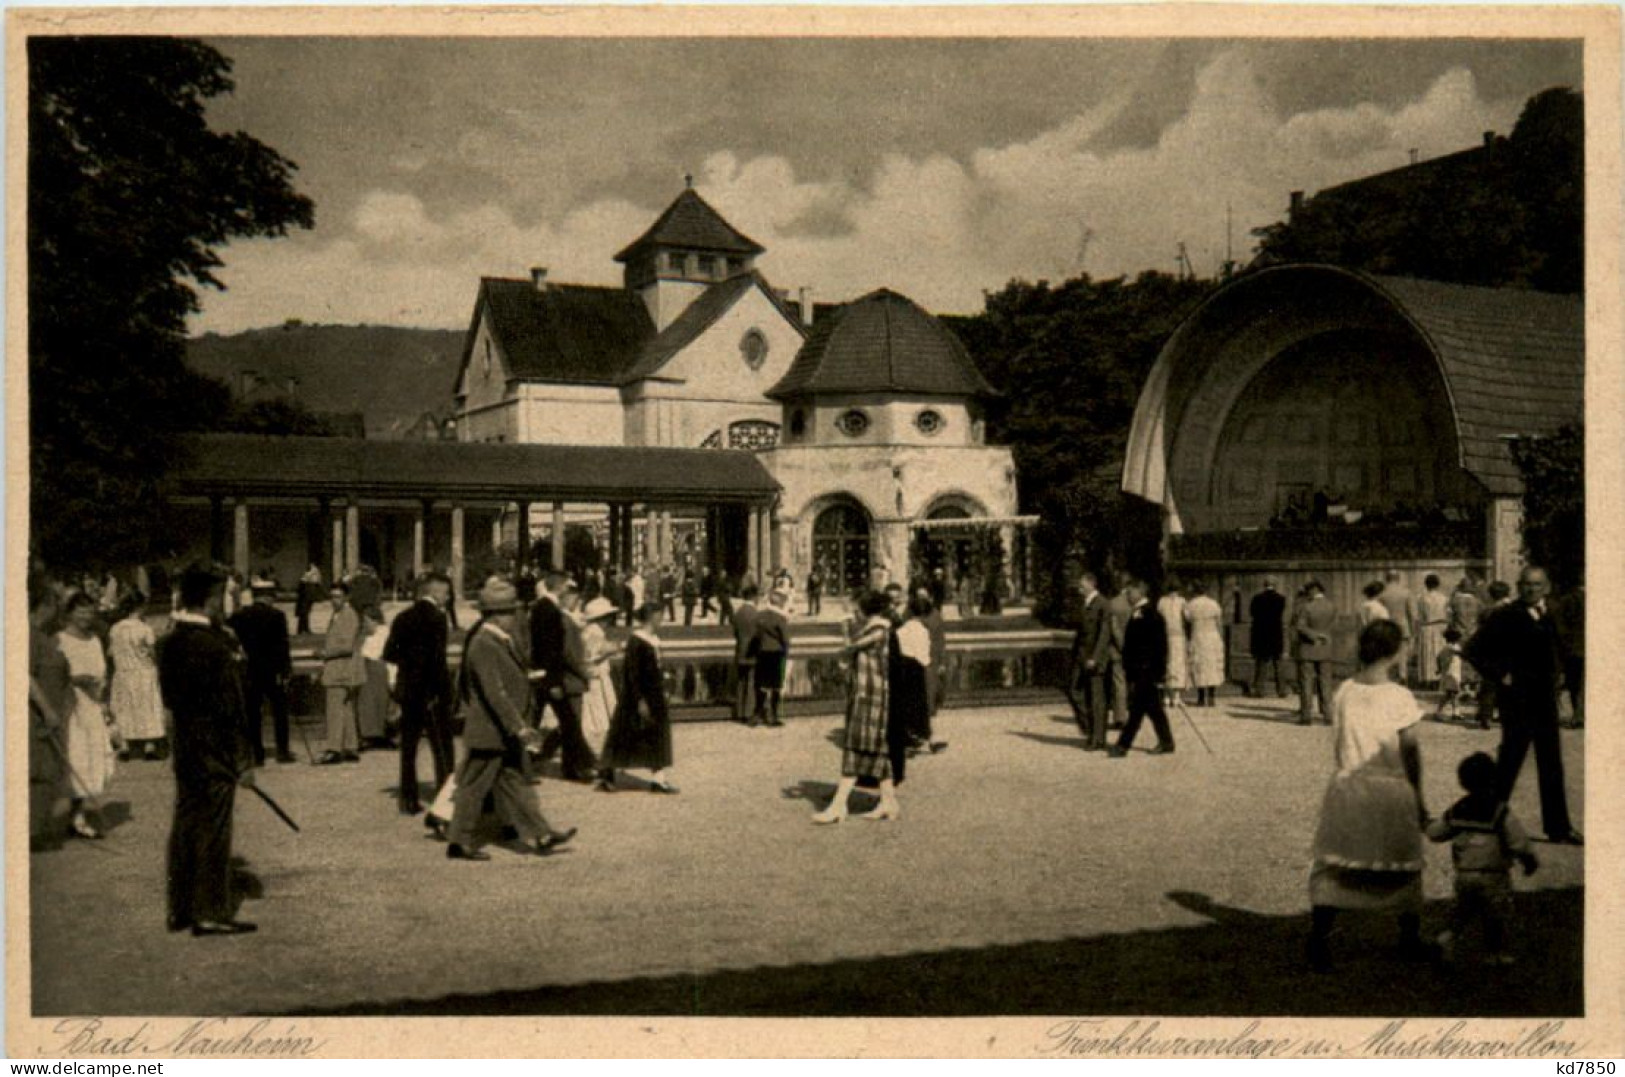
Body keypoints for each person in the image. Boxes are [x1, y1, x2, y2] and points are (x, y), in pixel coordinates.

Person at [1305, 620, 1430, 973]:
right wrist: (1419, 797)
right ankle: (1409, 938)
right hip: (1389, 789)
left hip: (1347, 786)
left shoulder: (1344, 690)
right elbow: (1411, 752)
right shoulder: (1399, 696)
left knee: (1337, 861)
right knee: (1401, 861)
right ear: (1396, 652)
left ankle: (1319, 936)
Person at [446, 578, 577, 861]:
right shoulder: (484, 643)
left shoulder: (497, 640)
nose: (514, 617)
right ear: (496, 614)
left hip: (497, 731)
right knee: (473, 788)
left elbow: (503, 682)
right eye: (510, 612)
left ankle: (541, 833)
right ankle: (458, 841)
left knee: (514, 784)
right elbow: (495, 693)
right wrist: (518, 727)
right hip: (491, 730)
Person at [158, 564, 258, 935]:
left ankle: (180, 907)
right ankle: (211, 911)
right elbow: (231, 707)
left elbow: (170, 698)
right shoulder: (216, 646)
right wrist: (243, 759)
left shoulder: (170, 642)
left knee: (185, 825)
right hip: (217, 750)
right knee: (214, 830)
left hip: (187, 747)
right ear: (213, 599)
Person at [1464, 566, 1583, 846]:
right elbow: (1473, 650)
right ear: (1519, 587)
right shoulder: (1505, 615)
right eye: (1527, 585)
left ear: (1547, 587)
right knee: (1510, 762)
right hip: (1516, 701)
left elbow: (1563, 648)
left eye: (1537, 585)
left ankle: (1559, 829)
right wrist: (1500, 675)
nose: (1532, 590)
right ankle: (1489, 821)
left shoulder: (1551, 613)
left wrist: (1563, 677)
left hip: (1545, 700)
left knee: (1551, 763)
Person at [1426, 752, 1539, 966]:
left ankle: (1447, 938)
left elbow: (1436, 833)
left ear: (1462, 781)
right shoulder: (1499, 810)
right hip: (1493, 875)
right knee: (1496, 915)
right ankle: (1495, 953)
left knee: (1463, 910)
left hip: (1465, 874)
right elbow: (1517, 839)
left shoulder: (1459, 808)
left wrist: (1428, 824)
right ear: (1493, 779)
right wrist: (1528, 858)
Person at [813, 591, 898, 824]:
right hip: (869, 694)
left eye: (857, 608)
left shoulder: (877, 631)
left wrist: (844, 629)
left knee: (855, 747)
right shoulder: (874, 629)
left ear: (867, 611)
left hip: (870, 696)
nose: (854, 613)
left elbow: (848, 649)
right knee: (877, 749)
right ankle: (889, 802)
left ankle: (839, 805)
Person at [383, 572, 455, 815]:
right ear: (434, 593)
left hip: (409, 690)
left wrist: (409, 667)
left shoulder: (402, 617)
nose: (447, 597)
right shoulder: (438, 618)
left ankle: (408, 799)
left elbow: (390, 653)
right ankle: (445, 800)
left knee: (409, 747)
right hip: (432, 692)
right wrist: (440, 691)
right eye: (445, 593)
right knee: (442, 748)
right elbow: (437, 659)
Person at [597, 602, 677, 794]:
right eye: (660, 616)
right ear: (652, 617)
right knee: (624, 735)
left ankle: (659, 779)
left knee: (658, 735)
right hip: (637, 696)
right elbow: (631, 673)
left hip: (655, 694)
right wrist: (639, 699)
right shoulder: (637, 641)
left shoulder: (654, 639)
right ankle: (607, 773)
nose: (662, 619)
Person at [58, 592, 117, 839]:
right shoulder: (59, 640)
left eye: (90, 611)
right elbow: (54, 674)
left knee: (91, 760)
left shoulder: (94, 639)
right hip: (71, 706)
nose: (86, 616)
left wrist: (104, 700)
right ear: (69, 612)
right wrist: (76, 679)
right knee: (75, 757)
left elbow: (103, 671)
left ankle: (77, 813)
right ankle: (73, 817)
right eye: (80, 611)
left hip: (93, 705)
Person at [529, 573, 596, 782]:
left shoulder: (542, 608)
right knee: (568, 723)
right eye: (567, 587)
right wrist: (554, 682)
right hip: (551, 678)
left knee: (554, 723)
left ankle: (579, 764)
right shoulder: (551, 611)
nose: (570, 592)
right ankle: (582, 764)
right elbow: (554, 650)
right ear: (560, 588)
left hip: (544, 676)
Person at [227, 580, 294, 766]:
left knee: (253, 713)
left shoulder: (241, 616)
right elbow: (283, 645)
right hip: (273, 671)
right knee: (279, 711)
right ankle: (282, 751)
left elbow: (227, 632)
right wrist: (286, 669)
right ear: (270, 596)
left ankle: (257, 753)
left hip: (250, 670)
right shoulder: (277, 616)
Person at [1108, 577, 1174, 758]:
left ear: (1139, 592)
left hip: (1145, 671)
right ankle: (1167, 742)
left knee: (1137, 710)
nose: (1127, 595)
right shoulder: (1138, 612)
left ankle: (1123, 745)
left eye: (1130, 592)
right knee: (1153, 709)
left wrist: (1157, 672)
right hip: (1139, 671)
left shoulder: (1150, 614)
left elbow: (1160, 646)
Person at [29, 580, 70, 850]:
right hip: (37, 719)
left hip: (50, 717)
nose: (58, 610)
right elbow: (24, 676)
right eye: (56, 603)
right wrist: (47, 710)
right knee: (39, 774)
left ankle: (38, 829)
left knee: (47, 773)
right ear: (45, 605)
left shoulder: (43, 635)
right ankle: (32, 834)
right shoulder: (28, 635)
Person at [109, 593, 168, 761]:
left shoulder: (115, 628)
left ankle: (125, 746)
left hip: (123, 672)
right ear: (140, 608)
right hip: (144, 672)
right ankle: (149, 746)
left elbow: (111, 651)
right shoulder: (144, 629)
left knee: (125, 708)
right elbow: (151, 651)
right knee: (147, 707)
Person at [317, 582, 364, 764]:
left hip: (340, 668)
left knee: (335, 710)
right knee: (346, 709)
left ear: (346, 597)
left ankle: (334, 748)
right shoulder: (340, 615)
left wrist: (324, 654)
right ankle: (351, 746)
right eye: (332, 597)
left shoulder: (348, 615)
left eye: (337, 597)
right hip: (344, 669)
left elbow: (346, 646)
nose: (333, 601)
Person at [891, 592, 936, 771]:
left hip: (902, 666)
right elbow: (924, 655)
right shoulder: (922, 630)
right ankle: (919, 736)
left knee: (903, 703)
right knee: (918, 703)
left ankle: (905, 738)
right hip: (916, 668)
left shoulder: (901, 630)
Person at [1066, 574, 1111, 751]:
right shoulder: (1085, 603)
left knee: (1096, 699)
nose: (1079, 589)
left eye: (1082, 585)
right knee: (1074, 691)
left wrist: (1096, 657)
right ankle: (1089, 730)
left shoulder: (1102, 604)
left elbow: (1104, 634)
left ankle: (1097, 738)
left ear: (1092, 585)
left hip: (1093, 658)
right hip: (1081, 656)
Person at [576, 597, 622, 760]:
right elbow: (592, 657)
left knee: (597, 713)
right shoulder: (595, 632)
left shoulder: (589, 631)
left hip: (595, 675)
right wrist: (610, 650)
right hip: (596, 676)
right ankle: (598, 752)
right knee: (599, 714)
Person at [1294, 580, 1336, 725]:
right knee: (1325, 682)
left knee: (1306, 682)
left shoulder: (1306, 607)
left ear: (1312, 591)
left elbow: (1300, 627)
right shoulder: (1332, 606)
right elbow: (1334, 625)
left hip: (1308, 647)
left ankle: (1306, 715)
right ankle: (1328, 715)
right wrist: (1324, 635)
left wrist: (1314, 636)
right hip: (1325, 647)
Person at [751, 589, 791, 727]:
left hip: (762, 652)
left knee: (761, 684)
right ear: (779, 603)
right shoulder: (780, 618)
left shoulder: (760, 615)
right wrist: (787, 651)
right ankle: (773, 715)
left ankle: (757, 714)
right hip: (776, 652)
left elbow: (755, 635)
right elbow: (785, 639)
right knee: (776, 685)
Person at [1185, 579, 1225, 707]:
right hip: (1212, 636)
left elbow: (1187, 620)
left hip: (1198, 635)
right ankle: (1212, 696)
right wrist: (1221, 637)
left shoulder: (1190, 605)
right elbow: (1219, 622)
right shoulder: (1213, 604)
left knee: (1199, 665)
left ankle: (1201, 697)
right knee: (1212, 665)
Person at [1248, 578, 1288, 698]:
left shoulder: (1257, 599)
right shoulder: (1281, 599)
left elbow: (1252, 613)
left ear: (1264, 585)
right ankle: (1281, 690)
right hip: (1275, 634)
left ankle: (1260, 690)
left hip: (1261, 634)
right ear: (1274, 585)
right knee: (1278, 664)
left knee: (1261, 664)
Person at [1553, 584, 1584, 728]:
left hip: (1574, 650)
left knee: (1575, 684)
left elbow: (1560, 628)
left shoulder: (1569, 600)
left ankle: (1579, 716)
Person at [1378, 569, 1416, 682]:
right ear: (1398, 579)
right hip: (1403, 627)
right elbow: (1412, 614)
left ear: (1387, 579)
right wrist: (1413, 631)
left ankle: (1387, 676)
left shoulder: (1382, 594)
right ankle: (1402, 675)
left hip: (1387, 627)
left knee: (1387, 652)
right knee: (1402, 654)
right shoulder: (1406, 592)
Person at [1157, 577, 1189, 709]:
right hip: (1178, 636)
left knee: (1166, 664)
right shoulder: (1182, 601)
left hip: (1164, 636)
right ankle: (1176, 697)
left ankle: (1166, 696)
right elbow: (1187, 617)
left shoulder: (1161, 601)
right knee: (1178, 665)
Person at [730, 584, 760, 722]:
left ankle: (739, 711)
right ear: (754, 597)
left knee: (741, 682)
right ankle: (749, 713)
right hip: (752, 652)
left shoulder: (738, 612)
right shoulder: (756, 614)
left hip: (740, 650)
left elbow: (735, 633)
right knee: (752, 682)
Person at [1414, 574, 1450, 690]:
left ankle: (1427, 679)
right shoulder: (1444, 598)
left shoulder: (1421, 598)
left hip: (1427, 627)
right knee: (1438, 652)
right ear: (1438, 585)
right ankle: (1439, 678)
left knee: (1427, 653)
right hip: (1440, 626)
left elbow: (1419, 616)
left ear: (1426, 585)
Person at [1104, 583, 1132, 728]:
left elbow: (1114, 629)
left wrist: (1122, 647)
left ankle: (1120, 717)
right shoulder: (1134, 605)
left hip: (1117, 650)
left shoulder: (1113, 604)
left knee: (1118, 683)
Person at [1432, 629, 1466, 722]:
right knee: (1453, 694)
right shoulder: (1450, 647)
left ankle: (1450, 712)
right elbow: (1460, 653)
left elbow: (1438, 657)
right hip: (1451, 674)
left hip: (1452, 673)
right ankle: (1452, 712)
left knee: (1450, 694)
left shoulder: (1447, 647)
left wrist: (1439, 668)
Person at [295, 563, 323, 635]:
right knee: (304, 612)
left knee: (305, 612)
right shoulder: (307, 578)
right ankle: (303, 629)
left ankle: (303, 629)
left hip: (307, 596)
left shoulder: (308, 577)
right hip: (306, 596)